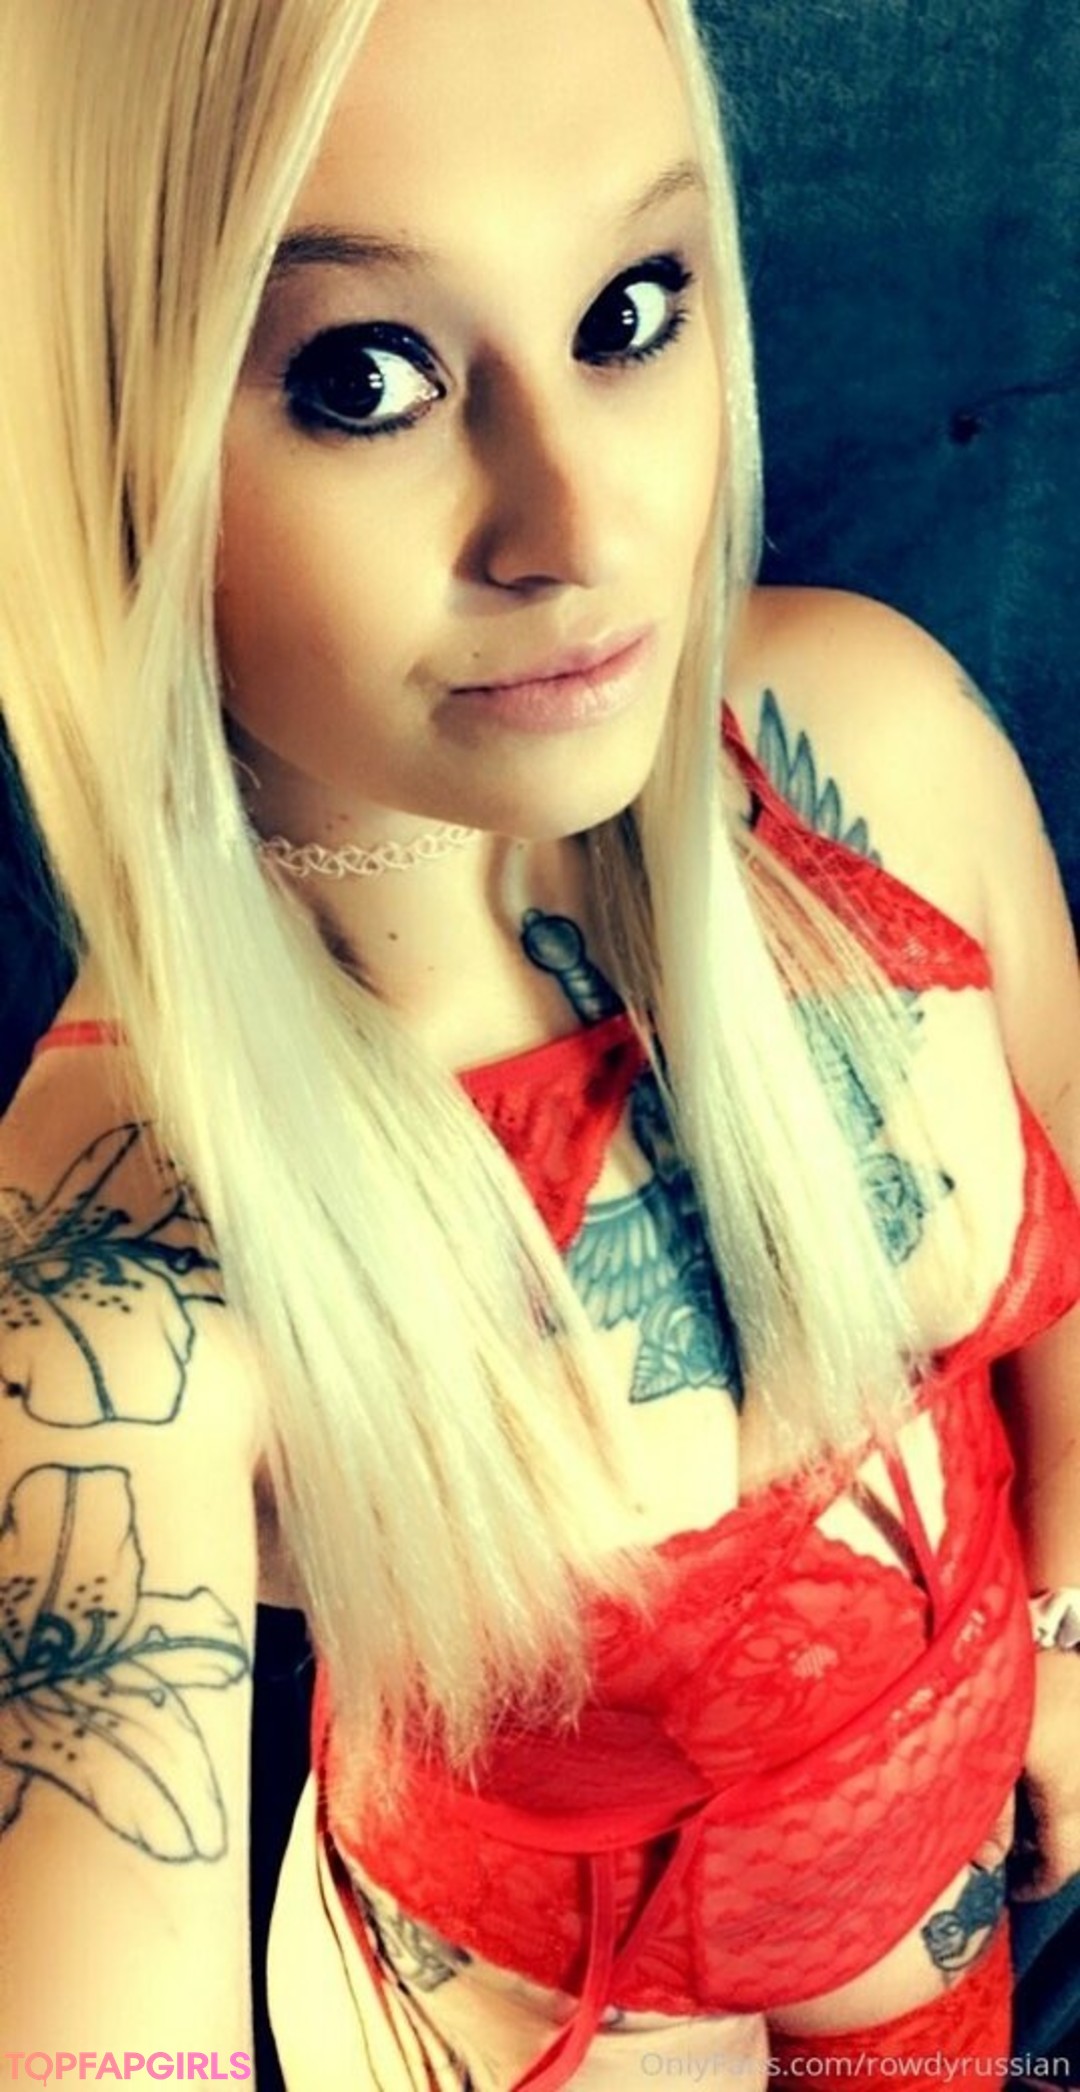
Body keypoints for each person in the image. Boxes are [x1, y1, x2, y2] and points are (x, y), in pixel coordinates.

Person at [2, 0, 1079, 2085]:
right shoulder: (113, 1270)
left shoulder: (870, 741)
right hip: (541, 2028)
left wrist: (1070, 1621)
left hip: (945, 1920)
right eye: (365, 377)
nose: (578, 527)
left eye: (629, 311)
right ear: (104, 434)